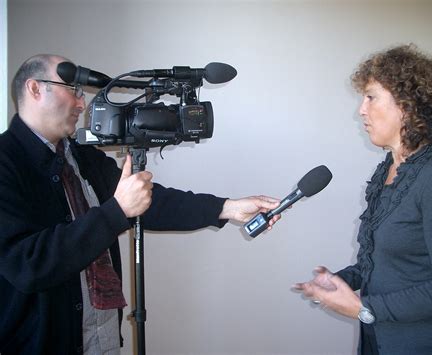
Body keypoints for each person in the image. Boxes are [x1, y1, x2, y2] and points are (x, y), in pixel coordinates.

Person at [0, 54, 281, 355]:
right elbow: (28, 264)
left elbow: (149, 202)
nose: (82, 104)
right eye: (74, 91)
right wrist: (117, 211)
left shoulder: (79, 155)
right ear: (34, 89)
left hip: (102, 339)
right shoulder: (5, 162)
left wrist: (226, 207)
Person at [294, 45, 432, 354]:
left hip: (429, 345)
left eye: (371, 97)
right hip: (378, 339)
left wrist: (364, 309)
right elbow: (378, 263)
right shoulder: (388, 171)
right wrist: (340, 283)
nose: (361, 110)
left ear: (408, 106)